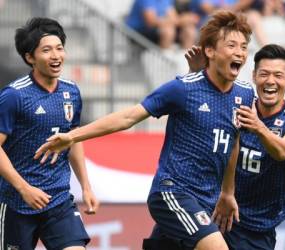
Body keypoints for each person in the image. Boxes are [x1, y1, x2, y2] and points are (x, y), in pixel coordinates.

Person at [35, 11, 254, 250]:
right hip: (172, 193)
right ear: (210, 51)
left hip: (206, 200)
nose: (239, 53)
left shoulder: (244, 94)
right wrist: (71, 136)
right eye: (231, 45)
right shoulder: (183, 89)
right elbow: (128, 117)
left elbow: (233, 141)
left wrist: (228, 192)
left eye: (244, 47)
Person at [187, 44, 285, 249]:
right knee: (162, 236)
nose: (270, 81)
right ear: (254, 75)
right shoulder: (237, 104)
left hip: (256, 228)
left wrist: (259, 127)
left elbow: (284, 150)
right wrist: (196, 75)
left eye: (278, 75)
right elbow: (200, 112)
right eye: (264, 74)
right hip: (214, 209)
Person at [0, 17, 98, 249]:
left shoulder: (71, 91)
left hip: (58, 200)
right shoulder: (14, 96)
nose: (56, 55)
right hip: (16, 202)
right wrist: (24, 189)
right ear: (30, 58)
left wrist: (85, 186)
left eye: (59, 48)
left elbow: (73, 139)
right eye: (46, 50)